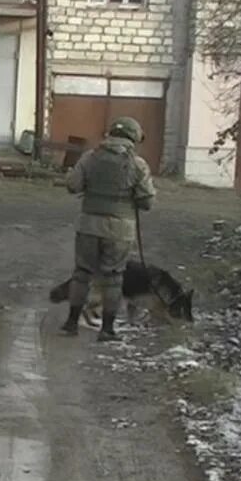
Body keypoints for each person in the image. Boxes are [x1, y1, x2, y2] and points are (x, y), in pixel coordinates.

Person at [60, 117, 156, 339]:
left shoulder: (89, 158)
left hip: (89, 225)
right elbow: (147, 202)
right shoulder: (137, 164)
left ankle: (71, 323)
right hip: (120, 231)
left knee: (82, 274)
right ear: (134, 138)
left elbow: (73, 186)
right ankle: (107, 329)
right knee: (113, 278)